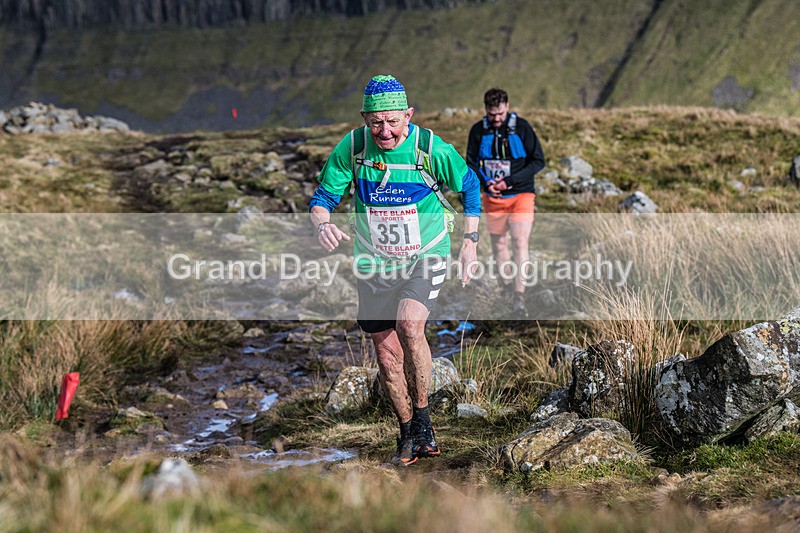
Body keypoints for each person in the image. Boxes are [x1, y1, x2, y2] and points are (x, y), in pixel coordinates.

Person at [309, 75, 481, 466]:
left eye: (392, 122)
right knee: (386, 356)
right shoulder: (352, 148)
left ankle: (423, 419)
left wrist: (470, 242)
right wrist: (323, 224)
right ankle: (406, 432)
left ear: (408, 115)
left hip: (426, 253)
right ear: (364, 118)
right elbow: (322, 199)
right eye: (376, 123)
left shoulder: (429, 148)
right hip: (372, 260)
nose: (384, 131)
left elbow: (470, 186)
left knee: (409, 325)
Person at [466, 88, 545, 318]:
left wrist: (510, 181)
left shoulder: (522, 128)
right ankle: (507, 289)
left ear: (507, 106)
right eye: (492, 115)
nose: (497, 118)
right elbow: (471, 162)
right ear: (486, 110)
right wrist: (485, 183)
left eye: (500, 113)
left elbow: (538, 161)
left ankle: (519, 296)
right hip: (493, 198)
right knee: (499, 245)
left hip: (521, 195)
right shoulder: (478, 131)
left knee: (520, 242)